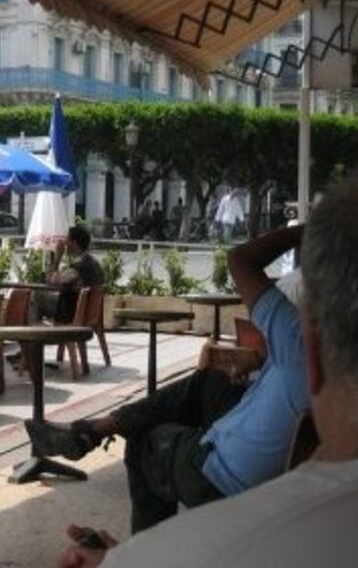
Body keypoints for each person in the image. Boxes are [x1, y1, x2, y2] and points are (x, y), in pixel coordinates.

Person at [58, 150, 358, 568]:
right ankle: (105, 425)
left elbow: (240, 260)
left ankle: (110, 431)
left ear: (317, 354)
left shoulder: (222, 548)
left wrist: (134, 558)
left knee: (153, 439)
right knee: (207, 386)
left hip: (221, 475)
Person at [32, 224, 309, 535]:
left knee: (145, 439)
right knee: (212, 382)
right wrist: (261, 366)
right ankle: (98, 428)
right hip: (282, 467)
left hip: (225, 475)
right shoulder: (356, 357)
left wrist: (308, 230)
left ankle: (145, 553)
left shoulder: (299, 340)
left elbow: (240, 259)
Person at [38, 225, 105, 323]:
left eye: (67, 239)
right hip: (87, 310)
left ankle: (31, 332)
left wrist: (57, 257)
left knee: (35, 295)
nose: (65, 243)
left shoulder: (79, 267)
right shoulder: (93, 263)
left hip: (72, 312)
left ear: (74, 243)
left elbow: (51, 282)